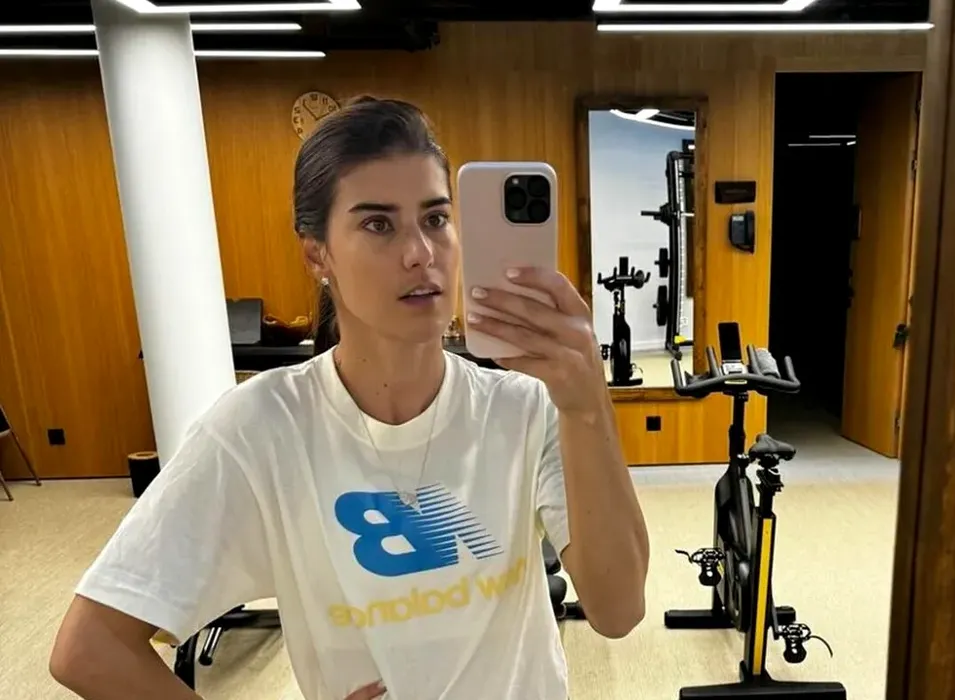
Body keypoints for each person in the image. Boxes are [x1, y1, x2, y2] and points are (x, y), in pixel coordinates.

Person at [48, 97, 650, 700]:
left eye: (436, 218)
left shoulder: (524, 408)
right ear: (318, 254)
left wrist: (585, 405)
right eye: (378, 225)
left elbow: (619, 611)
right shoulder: (262, 427)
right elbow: (90, 647)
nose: (421, 252)